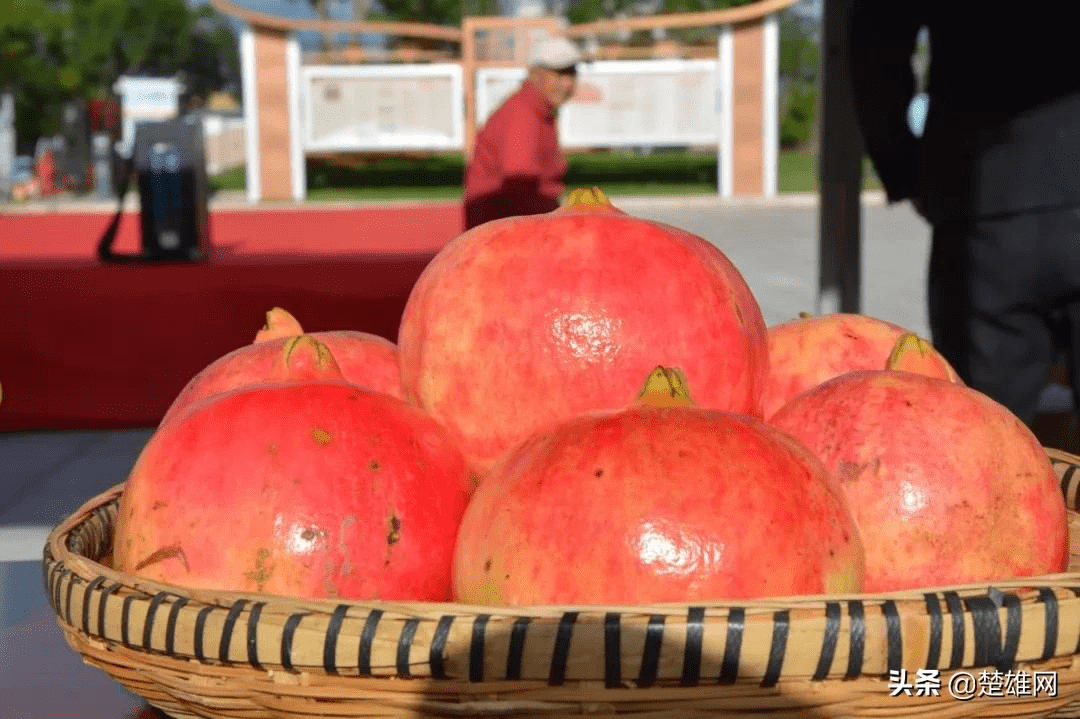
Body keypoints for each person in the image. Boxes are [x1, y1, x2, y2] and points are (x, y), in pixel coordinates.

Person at [848, 4, 1080, 429]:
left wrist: (903, 167)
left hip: (986, 188)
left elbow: (876, 42)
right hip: (994, 188)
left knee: (986, 431)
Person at [462, 35, 581, 231]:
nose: (567, 83)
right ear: (535, 74)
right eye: (559, 74)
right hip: (501, 233)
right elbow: (520, 189)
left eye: (572, 73)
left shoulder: (538, 110)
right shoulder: (523, 116)